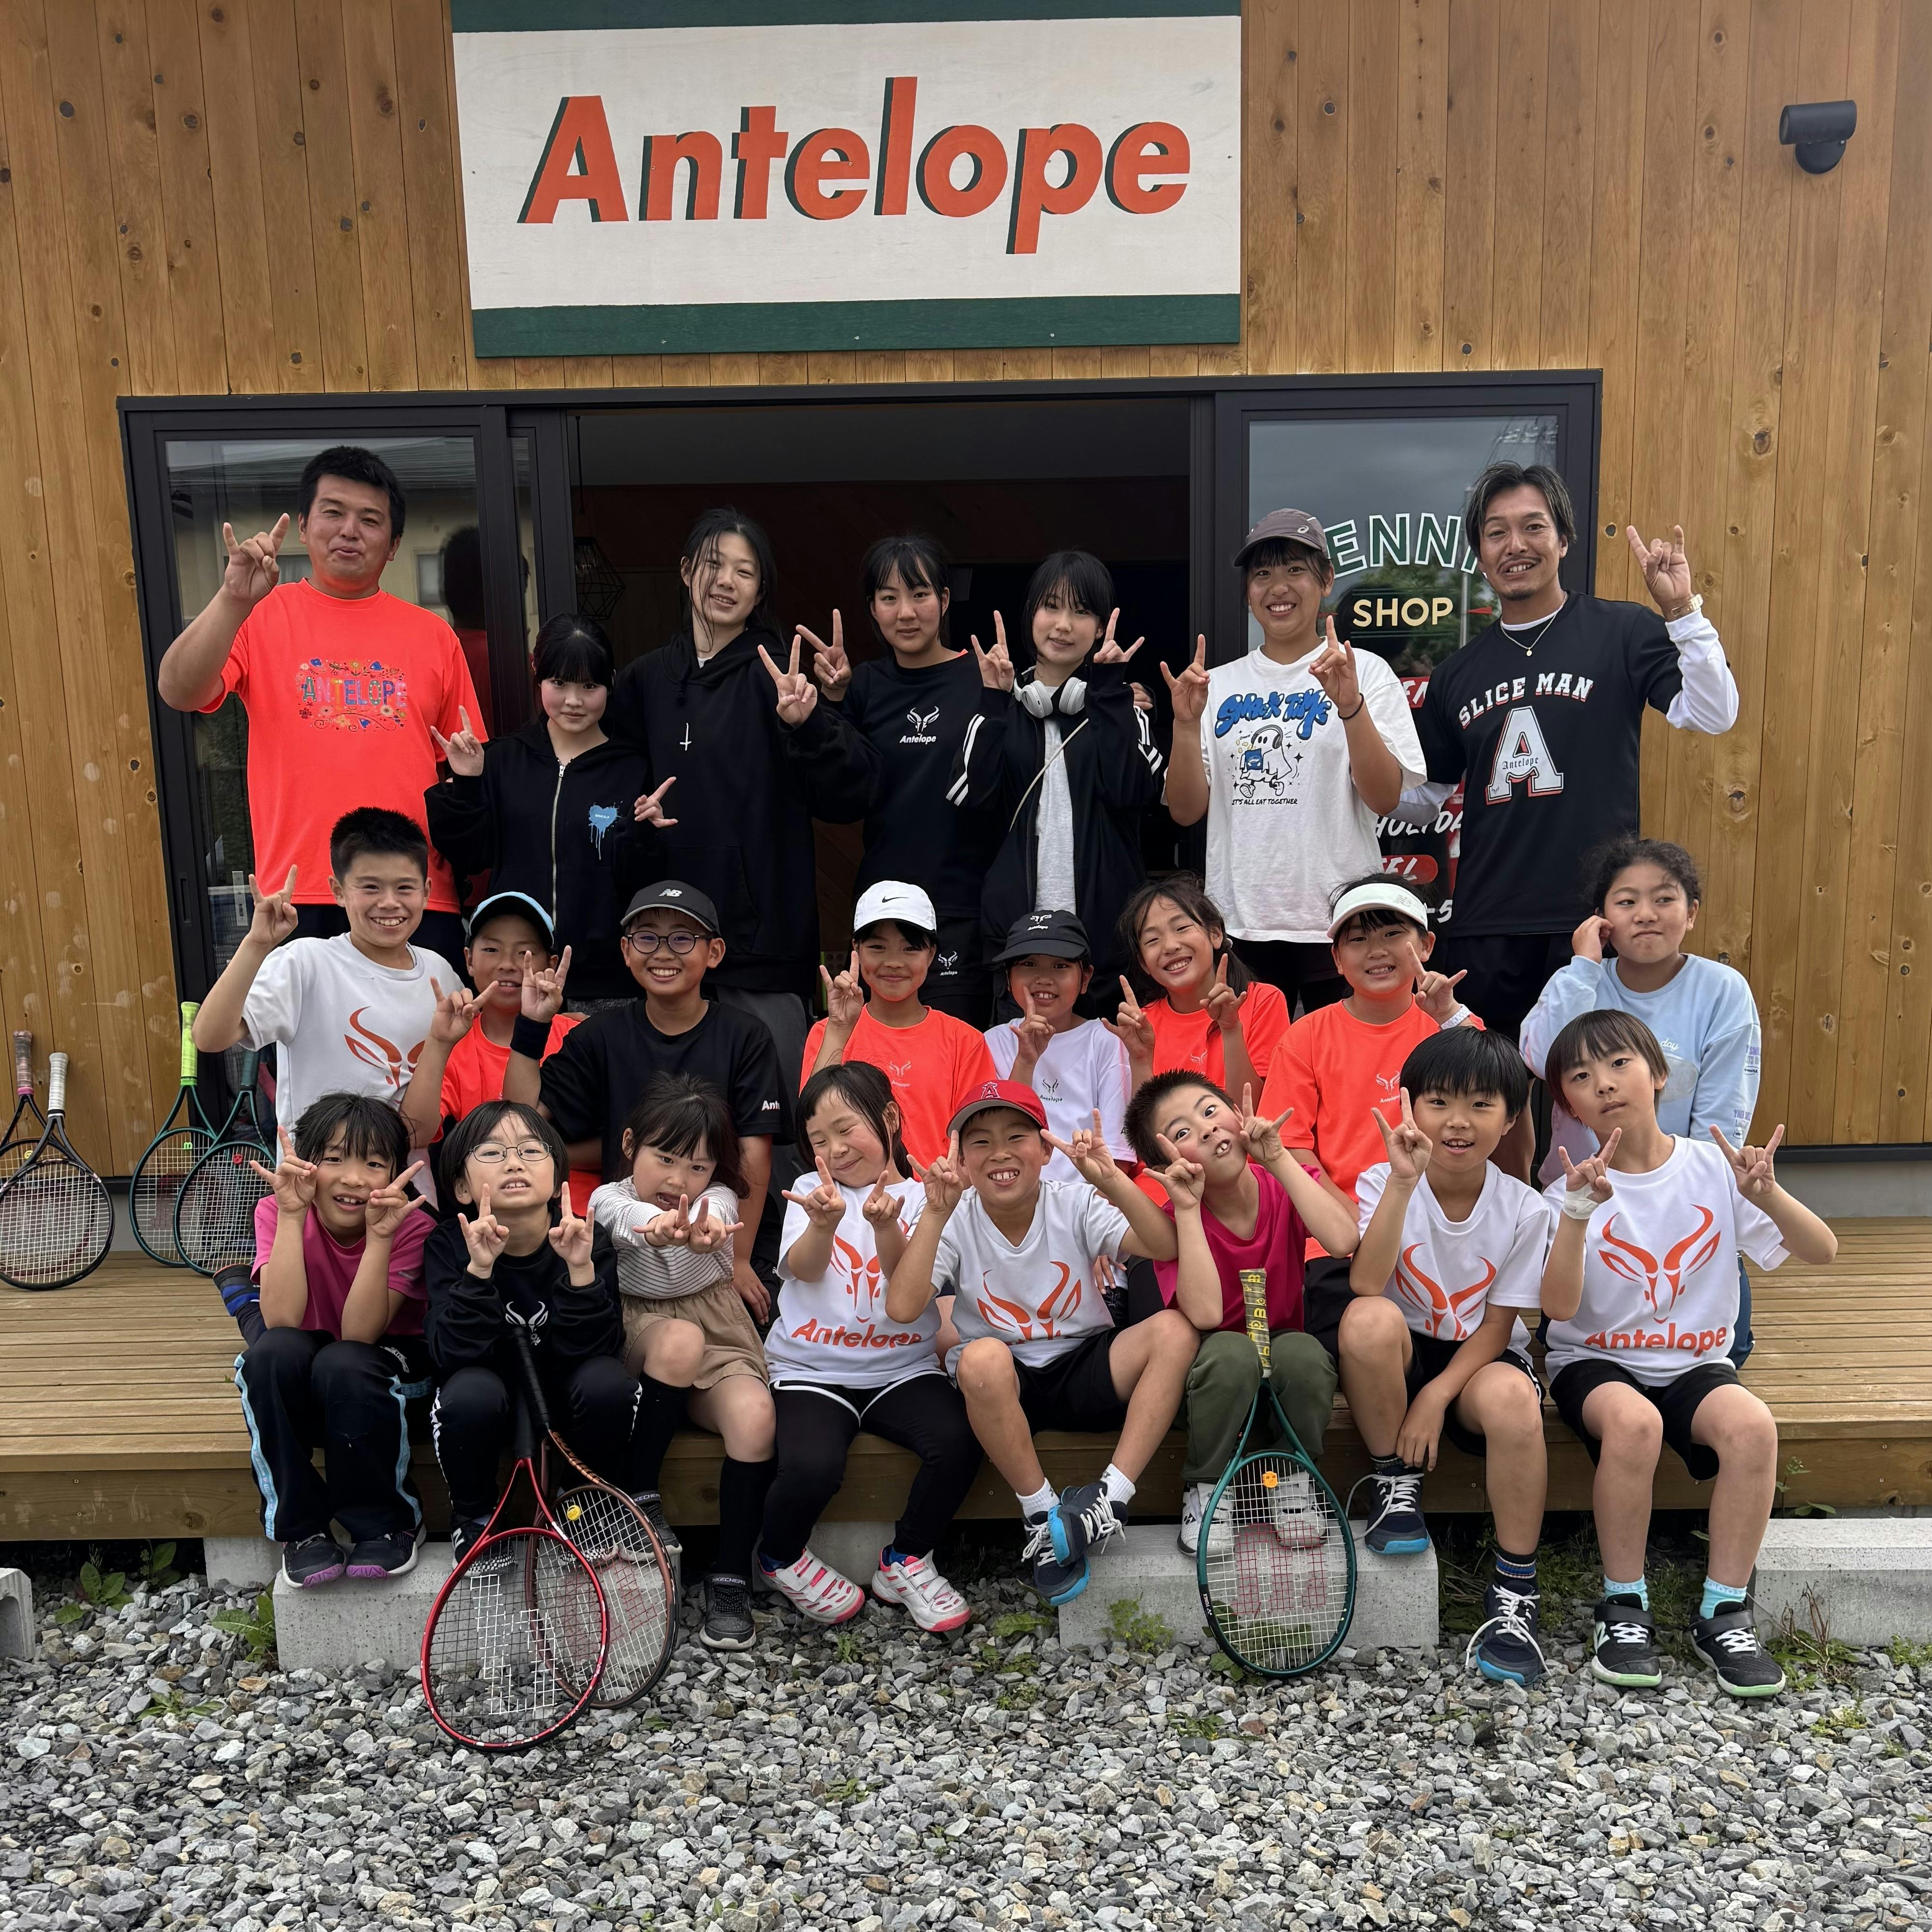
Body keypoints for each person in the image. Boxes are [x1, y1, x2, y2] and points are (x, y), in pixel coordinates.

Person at [1539, 1011, 1837, 1698]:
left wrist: (1767, 1194)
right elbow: (1557, 1308)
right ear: (1568, 1104)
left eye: (1619, 1063)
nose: (1603, 1084)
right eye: (1580, 1076)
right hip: (1595, 1361)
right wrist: (1578, 1214)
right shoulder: (1568, 1190)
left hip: (1696, 1364)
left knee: (1752, 1426)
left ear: (1659, 1074)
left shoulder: (1713, 1169)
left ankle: (1723, 1612)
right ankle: (1624, 1604)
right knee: (1634, 1423)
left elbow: (1821, 1250)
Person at [1408, 464, 1739, 1042]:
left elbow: (1714, 713)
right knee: (1493, 1089)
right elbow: (1420, 798)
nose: (1516, 545)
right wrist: (1353, 729)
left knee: (1596, 1086)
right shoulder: (1456, 674)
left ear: (1563, 540)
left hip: (1594, 922)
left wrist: (1683, 612)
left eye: (1533, 527)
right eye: (1496, 533)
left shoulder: (1622, 631)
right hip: (1489, 923)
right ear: (1480, 556)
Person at [154, 445, 484, 963]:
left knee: (424, 1020)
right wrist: (233, 600)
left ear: (394, 545)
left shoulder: (434, 636)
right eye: (334, 513)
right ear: (305, 527)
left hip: (411, 895)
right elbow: (179, 690)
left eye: (370, 520)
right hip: (296, 894)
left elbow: (467, 774)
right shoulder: (260, 616)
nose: (350, 530)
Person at [886, 1080, 1200, 1606]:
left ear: (1045, 1149)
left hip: (1084, 1363)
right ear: (961, 1159)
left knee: (1176, 1330)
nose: (1000, 1153)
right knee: (979, 1357)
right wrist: (935, 1214)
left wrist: (1112, 1181)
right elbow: (902, 1307)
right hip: (1008, 1384)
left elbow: (1164, 1245)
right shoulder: (953, 1215)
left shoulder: (1072, 1202)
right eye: (981, 1142)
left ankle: (1109, 1499)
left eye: (1016, 1137)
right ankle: (1042, 1514)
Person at [606, 507, 873, 1091]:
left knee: (771, 1118)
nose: (726, 581)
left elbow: (850, 794)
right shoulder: (644, 681)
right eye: (713, 565)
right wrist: (637, 822)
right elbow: (614, 803)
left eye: (744, 572)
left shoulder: (779, 679)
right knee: (674, 1122)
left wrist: (811, 723)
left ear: (760, 591)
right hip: (669, 948)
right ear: (685, 572)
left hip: (762, 953)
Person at [1336, 1030, 1552, 1687]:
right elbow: (1366, 1283)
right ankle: (1393, 1481)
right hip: (1405, 1348)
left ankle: (1515, 1587)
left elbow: (1498, 1325)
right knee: (1366, 1320)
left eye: (1481, 1105)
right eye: (1438, 1102)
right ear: (1409, 1108)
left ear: (1510, 1119)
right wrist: (1403, 1186)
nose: (1457, 1121)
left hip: (1480, 1357)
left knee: (1514, 1400)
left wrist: (1434, 1396)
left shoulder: (1524, 1207)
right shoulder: (1381, 1181)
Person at [1161, 510, 1425, 1013]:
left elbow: (1385, 798)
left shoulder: (1366, 672)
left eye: (1295, 570)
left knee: (1344, 1058)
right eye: (1262, 574)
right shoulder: (1217, 685)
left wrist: (1350, 706)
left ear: (1325, 581)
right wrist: (1186, 725)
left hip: (1344, 921)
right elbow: (1185, 810)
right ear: (1247, 593)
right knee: (1248, 1060)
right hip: (1242, 923)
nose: (1278, 587)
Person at [1519, 838, 1763, 1364]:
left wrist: (1682, 1199)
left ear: (1691, 913)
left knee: (1728, 1349)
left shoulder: (1723, 990)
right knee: (1589, 1342)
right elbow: (1541, 1060)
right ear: (1603, 919)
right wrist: (1584, 967)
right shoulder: (1580, 980)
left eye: (1664, 899)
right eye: (1627, 901)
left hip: (1682, 1202)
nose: (1646, 914)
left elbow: (1722, 1118)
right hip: (1586, 1206)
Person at [758, 1064, 982, 1631]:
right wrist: (824, 1224)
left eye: (845, 1129)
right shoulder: (813, 1194)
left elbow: (906, 1286)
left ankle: (906, 1557)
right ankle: (780, 1557)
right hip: (812, 1370)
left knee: (959, 1441)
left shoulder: (927, 1196)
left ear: (889, 1118)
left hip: (903, 1368)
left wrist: (886, 1228)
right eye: (818, 1140)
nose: (835, 1150)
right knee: (811, 1467)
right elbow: (804, 1269)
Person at [506, 881, 788, 1316]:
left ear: (714, 952)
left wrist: (739, 1257)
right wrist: (532, 1026)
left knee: (752, 1322)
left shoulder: (745, 1036)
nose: (663, 952)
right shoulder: (599, 1036)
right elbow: (524, 1125)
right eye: (647, 938)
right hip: (627, 1232)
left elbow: (755, 1151)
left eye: (682, 938)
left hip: (723, 1228)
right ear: (626, 950)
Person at [1120, 1071, 1358, 1559]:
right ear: (1166, 1164)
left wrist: (1279, 1158)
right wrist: (1188, 1211)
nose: (1207, 1129)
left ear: (1237, 1115)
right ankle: (1207, 1487)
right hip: (1209, 1390)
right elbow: (1206, 1315)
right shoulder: (1173, 1223)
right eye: (1183, 1132)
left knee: (1305, 1354)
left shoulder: (1283, 1183)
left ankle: (1293, 1478)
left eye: (1211, 1112)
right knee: (1230, 1352)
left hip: (1281, 1377)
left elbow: (1342, 1240)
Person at [588, 1074, 774, 1652]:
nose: (679, 1180)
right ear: (630, 1145)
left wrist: (705, 1232)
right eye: (665, 1158)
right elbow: (624, 1220)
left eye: (697, 1165)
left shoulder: (719, 1198)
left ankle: (731, 1575)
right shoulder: (608, 1198)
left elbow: (717, 1215)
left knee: (755, 1418)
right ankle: (640, 1497)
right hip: (644, 1329)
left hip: (717, 1327)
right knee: (679, 1343)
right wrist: (659, 1229)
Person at [423, 1101, 640, 1565]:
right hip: (488, 1398)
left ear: (557, 1177)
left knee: (608, 1384)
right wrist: (479, 1271)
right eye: (492, 1153)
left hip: (565, 1393)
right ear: (461, 1187)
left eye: (530, 1150)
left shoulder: (586, 1238)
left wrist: (580, 1271)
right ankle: (475, 1515)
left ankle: (585, 1505)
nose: (514, 1163)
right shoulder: (449, 1244)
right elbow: (451, 1353)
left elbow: (600, 1348)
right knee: (469, 1393)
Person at [1258, 875, 1482, 1320]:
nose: (1376, 951)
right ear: (1337, 960)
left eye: (1393, 934)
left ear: (1426, 946)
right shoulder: (1306, 1036)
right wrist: (1346, 1215)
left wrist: (1449, 1018)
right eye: (1358, 939)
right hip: (1339, 1240)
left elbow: (1490, 1115)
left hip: (1443, 1233)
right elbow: (1288, 1145)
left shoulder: (1454, 1027)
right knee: (1359, 1334)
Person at [232, 1095, 434, 1586]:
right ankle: (302, 1532)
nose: (354, 1178)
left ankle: (388, 1523)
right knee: (268, 1355)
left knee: (344, 1360)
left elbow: (361, 1335)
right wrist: (292, 1216)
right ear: (307, 1164)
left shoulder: (412, 1226)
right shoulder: (276, 1210)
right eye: (334, 1158)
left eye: (374, 1163)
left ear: (396, 1173)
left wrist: (380, 1238)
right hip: (312, 1356)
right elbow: (282, 1320)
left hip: (385, 1371)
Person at [806, 533, 1003, 1021]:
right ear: (873, 609)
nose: (906, 613)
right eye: (889, 598)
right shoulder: (863, 686)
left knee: (958, 1049)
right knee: (879, 1054)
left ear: (944, 599)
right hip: (884, 909)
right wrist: (832, 704)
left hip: (961, 906)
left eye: (920, 594)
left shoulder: (983, 679)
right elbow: (839, 793)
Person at [949, 551, 1164, 994]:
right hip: (1018, 946)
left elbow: (1132, 792)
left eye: (1081, 611)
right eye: (1051, 607)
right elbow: (970, 796)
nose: (1063, 625)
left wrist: (1110, 694)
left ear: (1101, 627)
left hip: (1108, 949)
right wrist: (994, 701)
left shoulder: (1123, 708)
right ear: (1031, 614)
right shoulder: (998, 707)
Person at [192, 808, 459, 1142]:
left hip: (410, 1170)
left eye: (405, 887)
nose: (390, 903)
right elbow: (209, 1038)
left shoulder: (441, 974)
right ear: (338, 891)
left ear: (427, 891)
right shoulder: (305, 963)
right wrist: (256, 944)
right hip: (313, 1171)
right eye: (371, 887)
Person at [423, 615, 648, 1005]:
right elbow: (470, 856)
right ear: (537, 676)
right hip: (517, 980)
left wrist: (647, 834)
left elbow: (643, 879)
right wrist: (468, 782)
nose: (573, 701)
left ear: (610, 683)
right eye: (559, 683)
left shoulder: (634, 769)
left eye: (589, 686)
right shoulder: (501, 761)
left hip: (608, 983)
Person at [401, 893, 598, 1214]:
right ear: (468, 960)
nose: (508, 963)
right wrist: (438, 1043)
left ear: (551, 965)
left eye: (525, 952)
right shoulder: (455, 1044)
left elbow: (619, 1142)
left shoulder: (579, 1036)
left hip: (580, 1211)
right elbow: (413, 1134)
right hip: (491, 1216)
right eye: (492, 950)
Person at [802, 881, 997, 1166]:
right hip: (850, 1192)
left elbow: (981, 1134)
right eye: (878, 947)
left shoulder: (965, 1041)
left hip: (940, 1190)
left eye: (910, 949)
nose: (894, 962)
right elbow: (812, 1122)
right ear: (856, 949)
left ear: (932, 954)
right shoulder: (828, 1032)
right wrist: (840, 1029)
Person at [1110, 875, 1292, 1100]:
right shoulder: (1141, 1025)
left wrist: (1231, 1029)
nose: (1170, 946)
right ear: (1143, 963)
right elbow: (1143, 1121)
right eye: (1153, 940)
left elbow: (1257, 1109)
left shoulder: (1262, 1001)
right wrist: (1140, 1060)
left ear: (1215, 934)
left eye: (1182, 928)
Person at [983, 910, 1132, 1185]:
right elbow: (994, 1136)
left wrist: (1095, 1203)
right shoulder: (992, 1042)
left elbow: (1118, 1154)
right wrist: (1026, 1061)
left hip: (1090, 1198)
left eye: (1060, 966)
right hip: (1010, 1193)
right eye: (1029, 964)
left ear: (1085, 978)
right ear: (1008, 978)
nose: (1043, 978)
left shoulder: (1105, 1041)